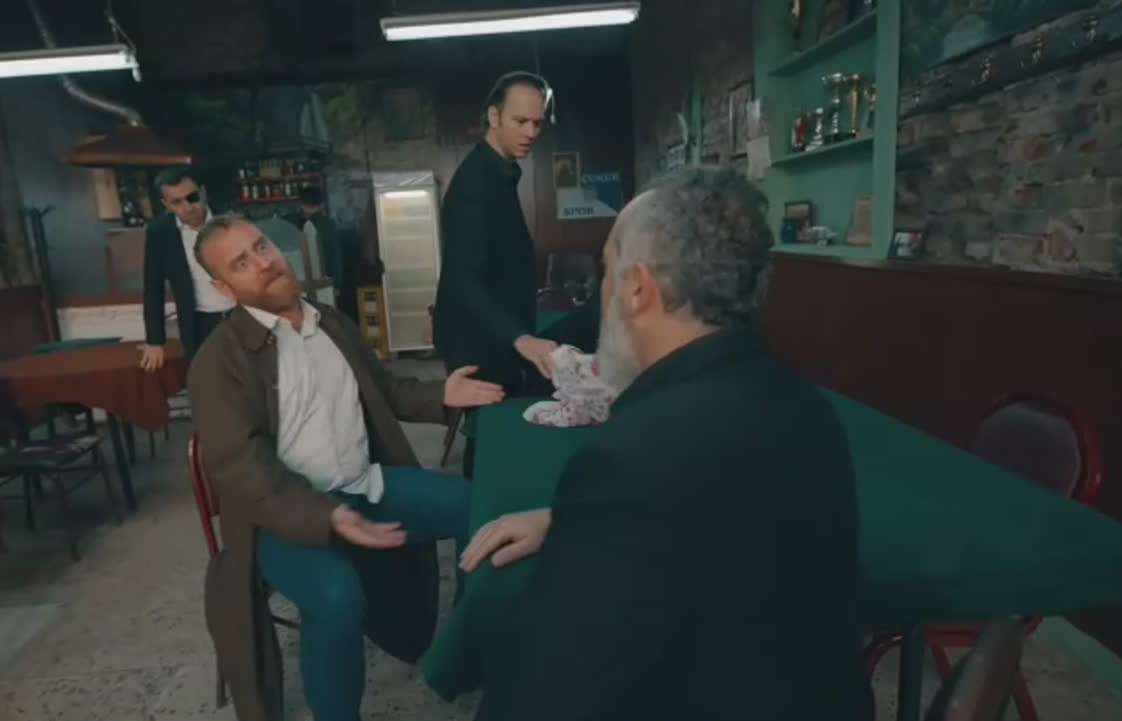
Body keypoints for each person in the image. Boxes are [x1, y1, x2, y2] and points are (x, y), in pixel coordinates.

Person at [460, 167, 866, 721]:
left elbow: (544, 694)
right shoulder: (806, 406)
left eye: (607, 270)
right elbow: (723, 514)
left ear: (636, 288)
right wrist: (569, 519)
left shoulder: (631, 458)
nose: (603, 291)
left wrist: (597, 513)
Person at [187, 216, 504, 721]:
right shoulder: (218, 361)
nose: (264, 263)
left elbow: (384, 388)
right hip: (281, 521)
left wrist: (441, 394)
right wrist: (327, 516)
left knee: (482, 510)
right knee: (337, 598)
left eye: (262, 246)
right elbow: (242, 468)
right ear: (224, 289)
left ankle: (469, 647)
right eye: (241, 263)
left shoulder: (330, 322)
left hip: (365, 486)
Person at [434, 71, 559, 396]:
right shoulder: (475, 183)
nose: (530, 132)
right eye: (520, 121)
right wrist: (520, 338)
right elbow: (464, 281)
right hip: (479, 345)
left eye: (537, 123)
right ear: (494, 116)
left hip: (499, 335)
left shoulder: (498, 170)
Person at [140, 166, 234, 370]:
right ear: (166, 204)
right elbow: (153, 288)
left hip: (243, 315)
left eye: (192, 197)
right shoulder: (160, 233)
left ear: (203, 192)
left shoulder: (231, 220)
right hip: (199, 324)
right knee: (209, 382)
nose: (188, 207)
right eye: (177, 202)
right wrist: (155, 340)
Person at [290, 185, 355, 322]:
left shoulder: (295, 224)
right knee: (329, 318)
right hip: (324, 281)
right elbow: (335, 257)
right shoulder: (327, 224)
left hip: (304, 282)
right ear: (321, 205)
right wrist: (337, 284)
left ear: (302, 204)